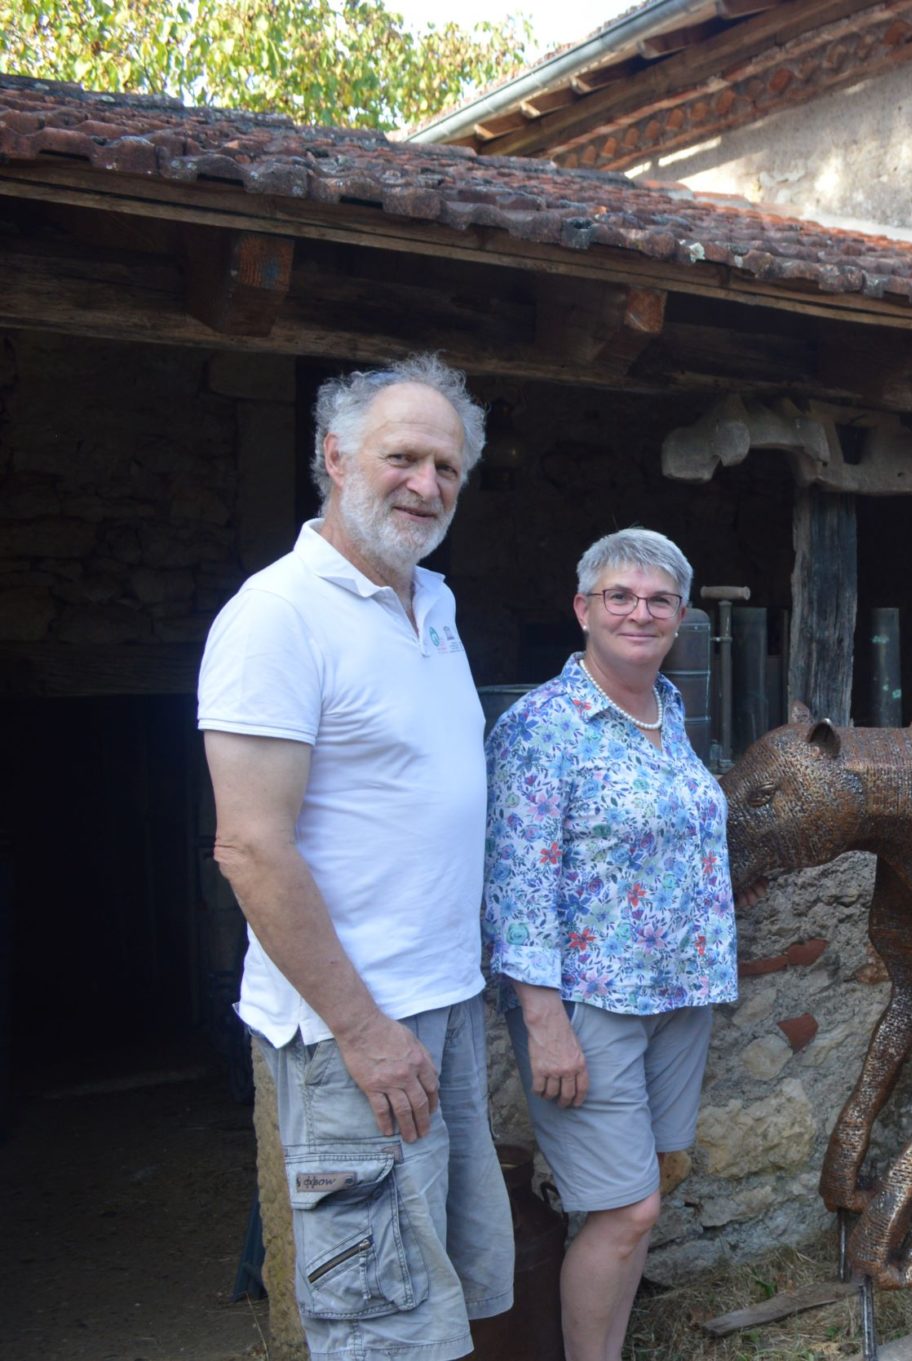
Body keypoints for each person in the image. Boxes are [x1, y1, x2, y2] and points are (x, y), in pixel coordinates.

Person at [198, 354, 511, 1361]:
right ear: (335, 458)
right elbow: (249, 846)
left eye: (447, 466)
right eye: (402, 457)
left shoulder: (436, 604)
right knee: (375, 1316)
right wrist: (364, 1028)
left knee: (436, 1295)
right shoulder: (277, 614)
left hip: (441, 1003)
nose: (426, 484)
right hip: (355, 1031)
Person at [484, 527, 738, 1361]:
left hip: (677, 994)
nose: (640, 611)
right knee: (624, 1209)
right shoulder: (542, 726)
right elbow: (517, 882)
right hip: (591, 1003)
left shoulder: (667, 710)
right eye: (619, 596)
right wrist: (542, 1017)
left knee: (645, 1197)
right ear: (583, 609)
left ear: (680, 617)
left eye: (658, 599)